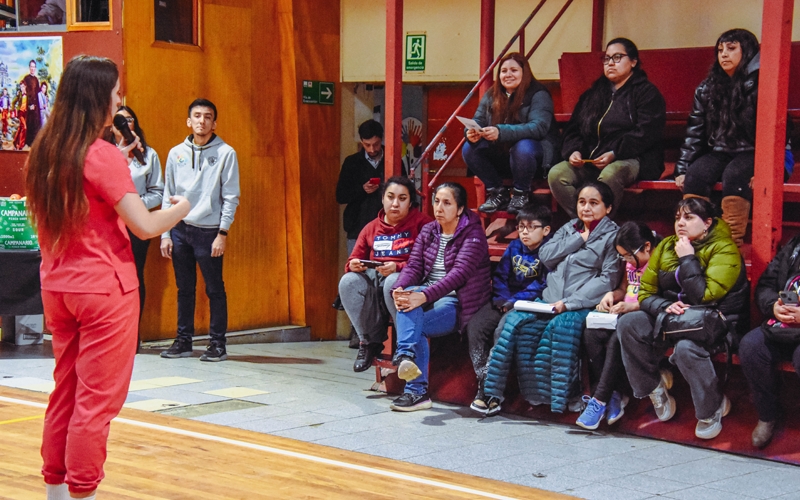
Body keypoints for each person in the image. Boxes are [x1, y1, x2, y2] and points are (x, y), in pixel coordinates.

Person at [25, 55, 190, 500]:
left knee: (66, 391)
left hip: (58, 287)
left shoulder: (45, 147)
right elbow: (146, 227)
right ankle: (83, 493)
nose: (120, 102)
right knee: (96, 403)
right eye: (116, 93)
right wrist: (181, 208)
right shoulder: (99, 155)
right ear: (98, 96)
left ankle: (56, 492)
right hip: (105, 289)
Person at [483, 181, 621, 415]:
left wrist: (568, 303)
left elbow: (607, 280)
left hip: (579, 305)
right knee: (515, 325)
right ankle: (502, 393)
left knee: (560, 328)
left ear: (608, 208)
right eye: (582, 202)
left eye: (593, 203)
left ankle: (568, 397)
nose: (586, 208)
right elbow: (546, 255)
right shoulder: (570, 228)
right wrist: (578, 239)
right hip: (548, 301)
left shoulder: (612, 236)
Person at [618, 197, 748, 440]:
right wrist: (665, 305)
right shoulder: (667, 246)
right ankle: (654, 387)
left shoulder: (725, 249)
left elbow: (706, 297)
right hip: (674, 320)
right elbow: (645, 292)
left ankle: (712, 407)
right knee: (628, 324)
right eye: (678, 217)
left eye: (689, 218)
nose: (681, 223)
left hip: (714, 325)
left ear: (708, 222)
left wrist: (688, 258)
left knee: (687, 348)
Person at [389, 182, 491, 411]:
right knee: (407, 298)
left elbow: (458, 276)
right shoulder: (429, 230)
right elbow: (414, 265)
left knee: (417, 321)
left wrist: (422, 296)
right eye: (436, 201)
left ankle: (416, 390)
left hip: (458, 301)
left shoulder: (473, 235)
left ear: (460, 208)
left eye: (447, 203)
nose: (439, 208)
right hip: (429, 294)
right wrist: (400, 287)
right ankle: (405, 358)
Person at [675, 29, 772, 248]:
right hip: (721, 150)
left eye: (731, 48)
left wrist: (766, 170)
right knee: (695, 175)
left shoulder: (763, 83)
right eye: (720, 50)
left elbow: (777, 131)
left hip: (755, 150)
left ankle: (729, 245)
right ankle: (694, 242)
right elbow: (695, 131)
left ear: (747, 52)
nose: (724, 55)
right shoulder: (707, 88)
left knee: (735, 175)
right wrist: (682, 169)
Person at [160, 99, 241, 362]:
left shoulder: (226, 153)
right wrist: (165, 232)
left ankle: (217, 344)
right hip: (180, 229)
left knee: (215, 289)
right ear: (188, 121)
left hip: (209, 232)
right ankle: (184, 341)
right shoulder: (175, 153)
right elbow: (167, 194)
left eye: (207, 117)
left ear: (214, 123)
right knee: (184, 288)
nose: (202, 121)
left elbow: (231, 197)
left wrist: (223, 233)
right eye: (197, 116)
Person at [548, 38, 666, 218]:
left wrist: (614, 153)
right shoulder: (593, 94)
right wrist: (574, 151)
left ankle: (597, 230)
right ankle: (588, 225)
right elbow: (574, 128)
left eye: (617, 57)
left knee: (610, 174)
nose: (610, 63)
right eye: (606, 58)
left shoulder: (646, 93)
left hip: (632, 158)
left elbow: (645, 133)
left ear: (633, 62)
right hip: (591, 159)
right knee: (557, 174)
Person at [338, 176, 431, 372]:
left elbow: (428, 263)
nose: (395, 203)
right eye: (390, 197)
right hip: (376, 285)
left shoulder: (423, 224)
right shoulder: (371, 227)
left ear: (410, 201)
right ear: (382, 199)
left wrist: (398, 267)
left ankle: (405, 346)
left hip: (409, 283)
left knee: (393, 281)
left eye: (402, 198)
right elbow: (352, 259)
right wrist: (354, 265)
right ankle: (368, 342)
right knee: (348, 282)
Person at [467, 205, 551, 415]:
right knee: (476, 326)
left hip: (527, 304)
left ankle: (494, 392)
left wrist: (513, 301)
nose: (525, 232)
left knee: (501, 331)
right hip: (503, 301)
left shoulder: (549, 251)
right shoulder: (514, 247)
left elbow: (542, 285)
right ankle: (483, 381)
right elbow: (501, 275)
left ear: (546, 230)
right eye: (521, 227)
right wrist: (502, 298)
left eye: (531, 227)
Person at [576, 221, 659, 429]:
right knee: (591, 333)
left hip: (643, 317)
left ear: (647, 247)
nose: (626, 260)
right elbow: (624, 288)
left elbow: (660, 299)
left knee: (616, 339)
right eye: (623, 256)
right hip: (622, 312)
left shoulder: (660, 262)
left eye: (629, 255)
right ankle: (614, 395)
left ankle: (599, 399)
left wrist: (631, 307)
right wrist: (612, 296)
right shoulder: (631, 263)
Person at [461, 52, 560, 214]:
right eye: (503, 71)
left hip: (534, 157)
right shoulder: (492, 94)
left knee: (522, 147)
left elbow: (538, 127)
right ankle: (498, 192)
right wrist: (471, 132)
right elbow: (478, 119)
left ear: (524, 72)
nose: (508, 75)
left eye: (513, 70)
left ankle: (521, 193)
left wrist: (501, 131)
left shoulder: (538, 93)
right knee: (469, 148)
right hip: (504, 155)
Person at [739, 235, 800, 448]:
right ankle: (768, 415)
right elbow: (765, 285)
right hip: (782, 325)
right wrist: (774, 306)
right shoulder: (794, 246)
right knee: (751, 346)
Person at [336, 119, 389, 347]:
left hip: (386, 228)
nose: (372, 149)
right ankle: (358, 332)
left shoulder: (393, 158)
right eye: (367, 145)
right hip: (357, 228)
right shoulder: (352, 162)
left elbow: (403, 188)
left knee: (381, 279)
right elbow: (340, 195)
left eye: (376, 144)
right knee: (357, 278)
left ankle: (377, 332)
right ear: (361, 142)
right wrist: (362, 190)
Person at [111, 105, 164, 320]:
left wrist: (133, 205)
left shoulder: (149, 155)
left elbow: (158, 192)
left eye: (130, 120)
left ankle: (133, 331)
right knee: (111, 277)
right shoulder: (104, 153)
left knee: (134, 276)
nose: (125, 125)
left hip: (136, 224)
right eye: (120, 121)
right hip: (109, 225)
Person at [23, 60, 41, 147]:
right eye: (31, 67)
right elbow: (26, 93)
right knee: (29, 123)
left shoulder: (36, 80)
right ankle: (28, 142)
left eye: (34, 67)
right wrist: (30, 104)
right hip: (29, 106)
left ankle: (35, 142)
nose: (32, 69)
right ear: (29, 67)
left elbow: (38, 92)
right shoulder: (26, 79)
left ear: (35, 68)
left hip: (36, 106)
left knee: (36, 123)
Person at [13, 82, 27, 150]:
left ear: (25, 87)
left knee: (20, 128)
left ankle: (15, 141)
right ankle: (21, 145)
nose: (22, 88)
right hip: (20, 113)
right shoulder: (20, 94)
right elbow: (13, 102)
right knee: (24, 127)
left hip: (25, 113)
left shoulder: (27, 95)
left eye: (23, 87)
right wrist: (13, 110)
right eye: (21, 87)